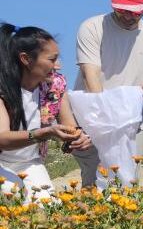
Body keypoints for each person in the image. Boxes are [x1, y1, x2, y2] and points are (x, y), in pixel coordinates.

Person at [74, 0, 143, 185]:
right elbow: (90, 75)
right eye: (122, 9)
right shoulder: (92, 27)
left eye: (135, 11)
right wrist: (106, 118)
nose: (128, 16)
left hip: (131, 120)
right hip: (93, 118)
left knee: (127, 181)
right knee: (93, 181)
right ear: (111, 1)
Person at [0, 24, 92, 202]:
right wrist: (44, 133)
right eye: (52, 59)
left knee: (48, 208)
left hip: (30, 162)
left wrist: (77, 137)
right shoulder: (4, 89)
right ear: (26, 59)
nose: (58, 65)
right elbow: (2, 138)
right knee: (13, 201)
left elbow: (69, 126)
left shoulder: (55, 86)